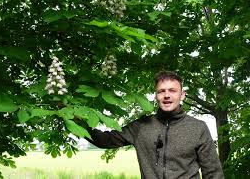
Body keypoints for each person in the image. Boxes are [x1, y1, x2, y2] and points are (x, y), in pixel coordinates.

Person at [85, 71, 224, 179]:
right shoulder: (141, 126)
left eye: (172, 90)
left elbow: (213, 173)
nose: (166, 95)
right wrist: (78, 121)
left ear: (182, 95)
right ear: (156, 96)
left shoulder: (198, 127)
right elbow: (104, 140)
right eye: (161, 91)